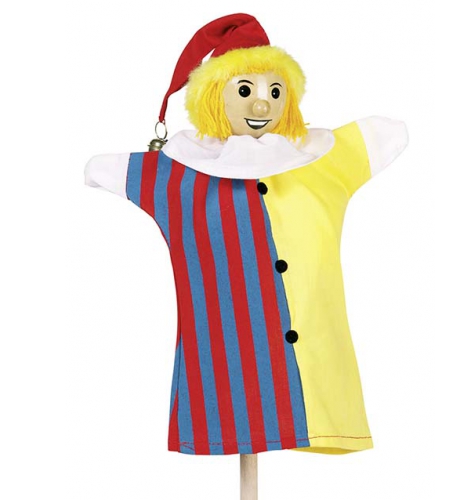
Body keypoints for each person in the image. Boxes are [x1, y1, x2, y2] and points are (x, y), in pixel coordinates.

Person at [85, 13, 409, 456]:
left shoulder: (323, 159)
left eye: (275, 92)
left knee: (310, 396)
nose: (261, 106)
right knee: (233, 393)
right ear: (213, 96)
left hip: (319, 366)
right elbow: (111, 169)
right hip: (226, 362)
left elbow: (381, 136)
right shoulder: (177, 174)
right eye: (245, 91)